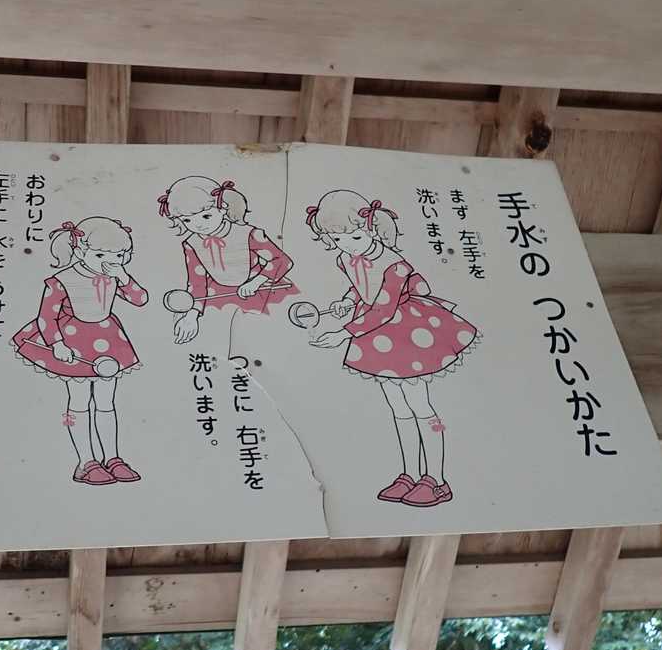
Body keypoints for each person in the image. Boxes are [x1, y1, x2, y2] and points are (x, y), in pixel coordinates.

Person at [304, 190, 477, 507]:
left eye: (355, 237)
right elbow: (361, 289)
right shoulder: (346, 258)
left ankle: (436, 480)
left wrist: (343, 333)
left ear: (372, 228)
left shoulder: (395, 264)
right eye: (338, 239)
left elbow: (384, 307)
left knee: (420, 406)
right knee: (399, 409)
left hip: (407, 331)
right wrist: (347, 302)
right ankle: (409, 474)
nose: (347, 245)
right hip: (376, 335)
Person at [11, 217, 148, 486]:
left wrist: (123, 276)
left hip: (108, 339)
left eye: (119, 255)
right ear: (80, 249)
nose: (110, 261)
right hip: (73, 341)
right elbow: (46, 317)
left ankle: (112, 458)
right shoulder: (61, 280)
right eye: (100, 255)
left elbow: (140, 299)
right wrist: (57, 344)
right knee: (80, 401)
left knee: (107, 403)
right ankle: (86, 461)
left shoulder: (113, 275)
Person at [157, 175, 297, 343]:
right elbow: (197, 283)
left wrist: (256, 282)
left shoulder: (248, 233)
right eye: (187, 220)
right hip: (219, 295)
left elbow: (282, 260)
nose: (198, 225)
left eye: (206, 216)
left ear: (222, 208)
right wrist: (192, 315)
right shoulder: (191, 244)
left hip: (259, 289)